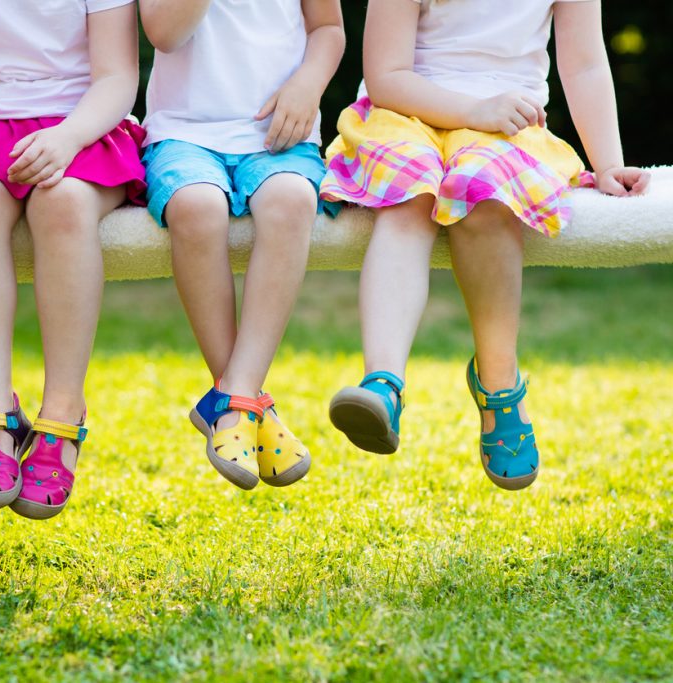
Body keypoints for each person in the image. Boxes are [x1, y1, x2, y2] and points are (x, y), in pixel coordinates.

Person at [322, 0, 650, 490]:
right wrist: (474, 109)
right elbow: (387, 76)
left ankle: (499, 382)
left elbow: (583, 65)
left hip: (506, 129)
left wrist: (607, 163)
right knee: (409, 197)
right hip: (405, 115)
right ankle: (383, 383)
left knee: (486, 195)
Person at [0, 0, 144, 519]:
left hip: (85, 125)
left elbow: (118, 77)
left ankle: (62, 416)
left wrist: (67, 137)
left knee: (63, 202)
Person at [139, 0, 345, 491]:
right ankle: (245, 400)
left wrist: (307, 84)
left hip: (279, 132)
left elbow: (329, 28)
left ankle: (233, 396)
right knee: (195, 205)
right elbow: (163, 34)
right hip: (184, 133)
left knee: (293, 200)